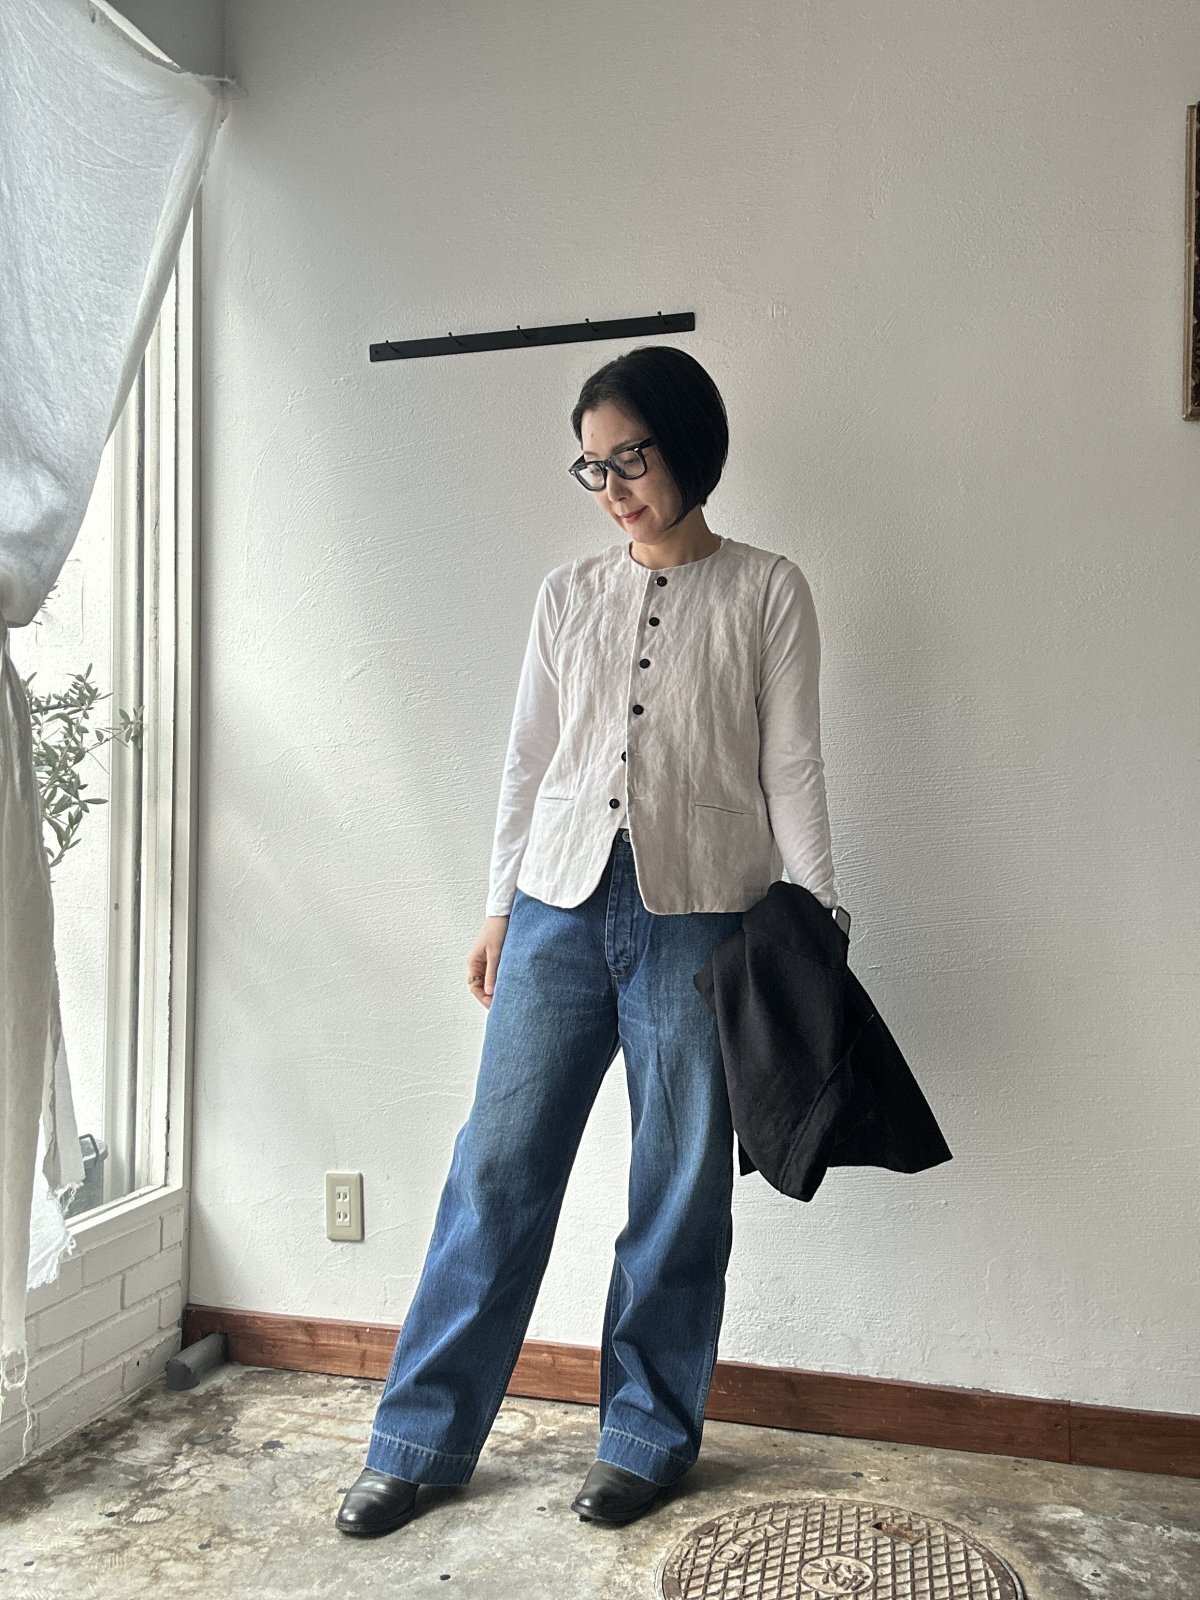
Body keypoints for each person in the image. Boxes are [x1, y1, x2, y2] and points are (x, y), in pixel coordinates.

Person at [336, 345, 839, 1538]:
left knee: (676, 1185)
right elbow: (527, 760)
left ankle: (646, 1437)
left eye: (631, 458)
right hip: (556, 909)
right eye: (592, 467)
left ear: (689, 446)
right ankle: (419, 1441)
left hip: (703, 917)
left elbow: (792, 765)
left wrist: (821, 924)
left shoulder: (769, 590)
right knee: (496, 1169)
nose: (612, 487)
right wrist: (497, 909)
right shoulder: (566, 595)